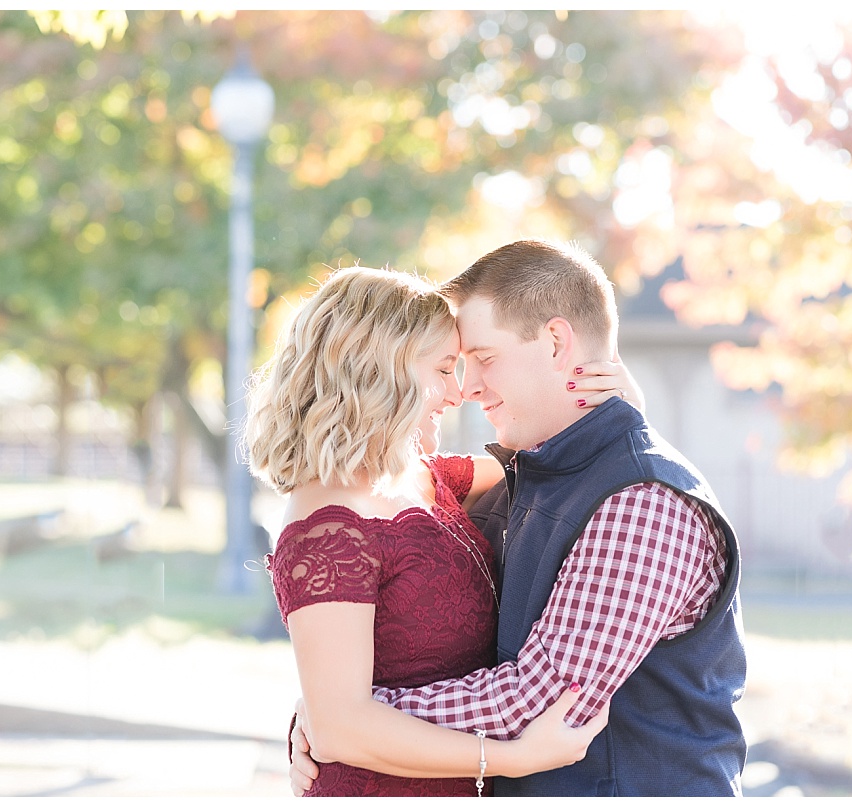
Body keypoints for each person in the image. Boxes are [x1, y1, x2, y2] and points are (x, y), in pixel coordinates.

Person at [290, 239, 747, 797]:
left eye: (482, 358)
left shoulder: (643, 503)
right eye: (453, 366)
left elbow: (537, 697)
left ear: (556, 342)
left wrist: (340, 719)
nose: (467, 388)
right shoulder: (521, 479)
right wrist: (336, 710)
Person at [243, 265, 624, 797]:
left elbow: (555, 461)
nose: (459, 392)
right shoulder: (326, 529)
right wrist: (510, 759)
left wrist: (619, 403)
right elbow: (339, 726)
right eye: (445, 369)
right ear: (380, 370)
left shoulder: (424, 477)